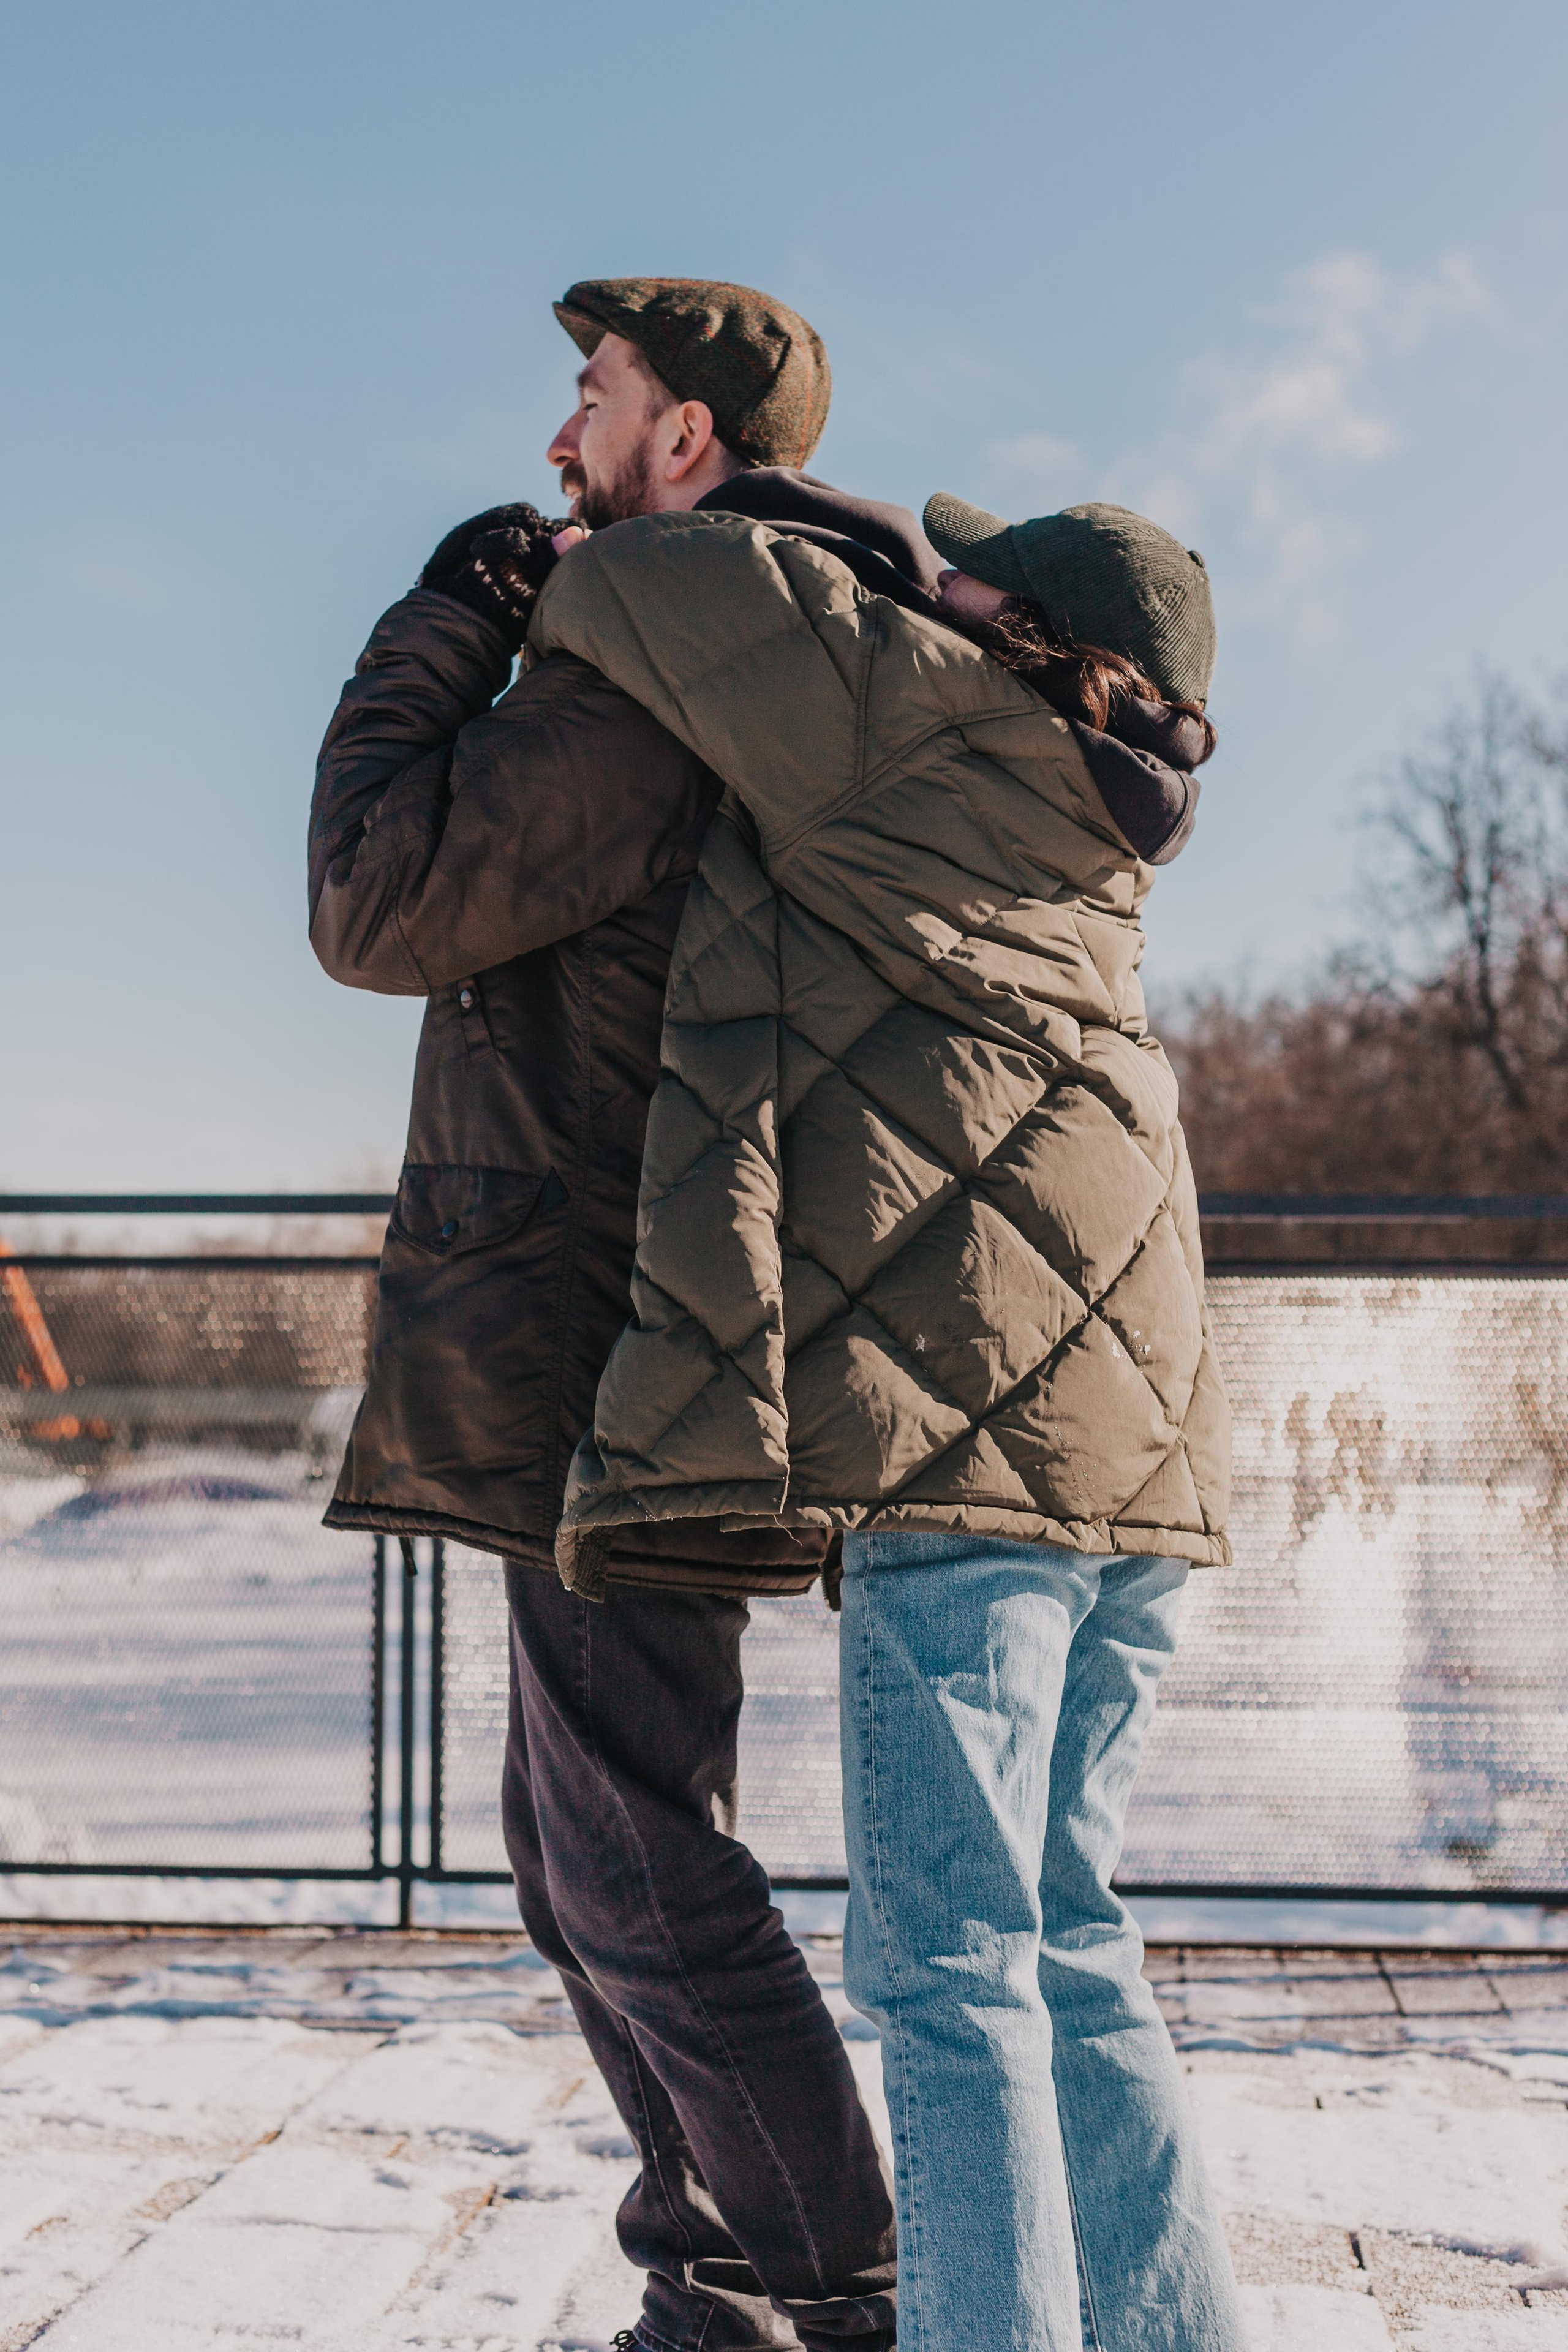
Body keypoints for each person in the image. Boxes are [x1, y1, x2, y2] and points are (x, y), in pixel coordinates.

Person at [529, 493, 1250, 2350]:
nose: (929, 585)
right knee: (1077, 1945)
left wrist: (814, 523)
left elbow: (636, 574)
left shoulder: (917, 724)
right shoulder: (1094, 815)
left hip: (973, 1456)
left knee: (954, 1971)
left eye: (961, 575)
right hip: (1142, 1459)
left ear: (1028, 633)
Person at [307, 278, 939, 2352]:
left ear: (683, 442)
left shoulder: (654, 662)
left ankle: (836, 2291)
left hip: (615, 1327)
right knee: (588, 1851)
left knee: (636, 1860)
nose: (560, 427)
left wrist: (447, 618)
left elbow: (377, 898)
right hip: (665, 1310)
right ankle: (725, 2277)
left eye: (594, 395)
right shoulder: (751, 648)